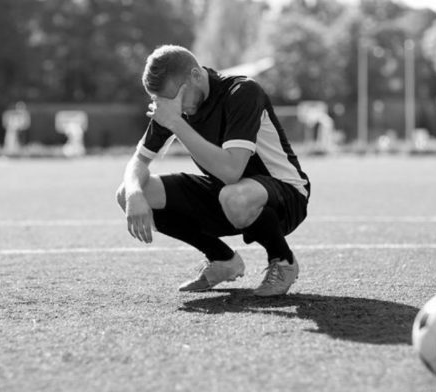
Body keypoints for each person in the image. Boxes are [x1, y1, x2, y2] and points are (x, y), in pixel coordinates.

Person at [116, 45, 310, 296]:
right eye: (164, 103)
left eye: (177, 100)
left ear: (196, 75)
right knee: (129, 192)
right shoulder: (174, 104)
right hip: (226, 194)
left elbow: (231, 170)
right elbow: (138, 162)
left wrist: (175, 122)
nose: (178, 109)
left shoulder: (242, 92)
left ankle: (283, 260)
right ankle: (222, 260)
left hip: (285, 195)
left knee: (234, 196)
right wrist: (133, 194)